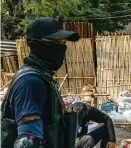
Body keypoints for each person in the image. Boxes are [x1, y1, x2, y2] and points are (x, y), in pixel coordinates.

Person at [1, 17, 80, 148]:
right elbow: (27, 143)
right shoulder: (31, 82)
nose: (61, 48)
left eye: (63, 43)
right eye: (55, 42)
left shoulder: (43, 79)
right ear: (35, 44)